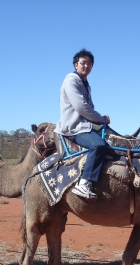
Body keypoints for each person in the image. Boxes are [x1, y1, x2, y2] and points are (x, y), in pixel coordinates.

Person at [55, 49, 110, 199]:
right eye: (83, 63)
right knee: (98, 146)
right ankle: (83, 184)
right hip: (74, 128)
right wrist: (100, 118)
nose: (86, 66)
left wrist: (101, 120)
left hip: (84, 126)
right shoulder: (71, 81)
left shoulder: (85, 83)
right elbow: (81, 107)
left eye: (89, 63)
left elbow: (89, 107)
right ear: (76, 65)